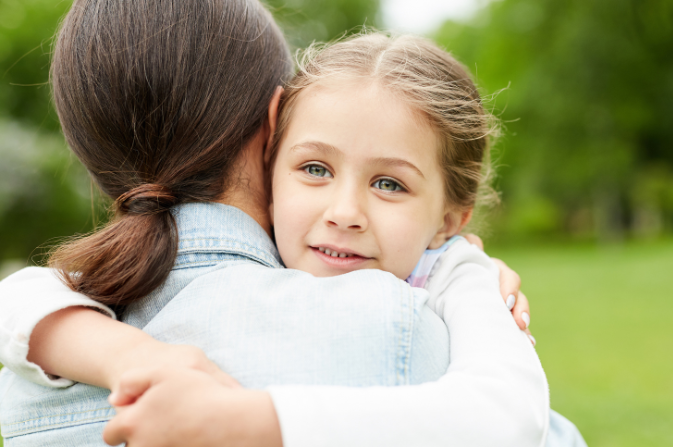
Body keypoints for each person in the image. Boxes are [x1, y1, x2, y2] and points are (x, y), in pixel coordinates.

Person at [0, 1, 584, 446]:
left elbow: (509, 408)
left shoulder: (40, 371)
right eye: (315, 168)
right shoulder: (412, 330)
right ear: (273, 137)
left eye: (390, 184)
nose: (345, 212)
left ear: (448, 221)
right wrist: (138, 360)